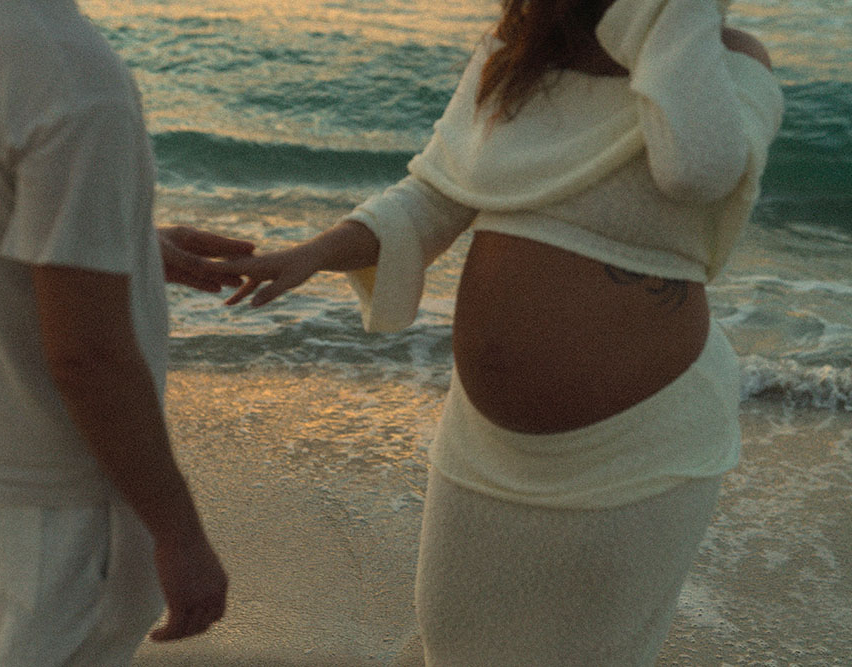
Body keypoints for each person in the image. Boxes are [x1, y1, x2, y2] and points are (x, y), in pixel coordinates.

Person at [220, 0, 783, 663]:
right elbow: (433, 195)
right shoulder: (519, 56)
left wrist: (673, 14)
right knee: (455, 648)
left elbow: (695, 170)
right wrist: (316, 251)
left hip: (641, 450)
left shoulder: (729, 61)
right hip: (485, 447)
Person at [0, 0, 252, 663]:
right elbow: (88, 358)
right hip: (60, 496)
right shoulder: (74, 79)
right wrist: (179, 532)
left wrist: (121, 243)